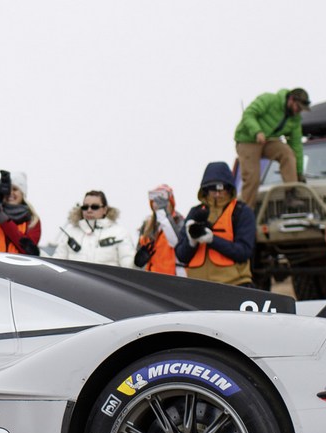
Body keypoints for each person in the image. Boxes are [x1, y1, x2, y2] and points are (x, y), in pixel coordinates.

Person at [180, 162, 261, 290]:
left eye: (221, 188)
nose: (217, 194)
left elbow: (244, 252)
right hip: (197, 289)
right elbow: (181, 256)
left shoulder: (241, 212)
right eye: (213, 189)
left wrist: (212, 240)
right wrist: (191, 242)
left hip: (234, 286)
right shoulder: (195, 213)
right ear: (205, 190)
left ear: (229, 188)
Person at [233, 88, 310, 207]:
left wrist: (299, 172)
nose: (298, 111)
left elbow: (296, 146)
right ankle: (247, 213)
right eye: (298, 107)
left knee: (287, 153)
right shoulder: (269, 99)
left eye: (301, 109)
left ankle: (290, 194)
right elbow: (249, 114)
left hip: (268, 141)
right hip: (247, 140)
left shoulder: (295, 120)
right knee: (252, 178)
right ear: (291, 99)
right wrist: (257, 131)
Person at [46, 191, 136, 267]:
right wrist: (38, 254)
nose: (89, 210)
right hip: (73, 286)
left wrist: (137, 263)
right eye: (85, 207)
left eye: (95, 207)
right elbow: (56, 265)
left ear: (105, 209)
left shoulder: (119, 233)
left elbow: (129, 267)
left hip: (106, 286)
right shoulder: (71, 232)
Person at [133, 184, 186, 276]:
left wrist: (163, 215)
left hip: (172, 277)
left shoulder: (179, 221)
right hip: (151, 276)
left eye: (163, 201)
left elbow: (176, 243)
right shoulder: (147, 225)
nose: (158, 204)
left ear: (171, 202)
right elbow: (138, 250)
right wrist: (139, 258)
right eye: (155, 201)